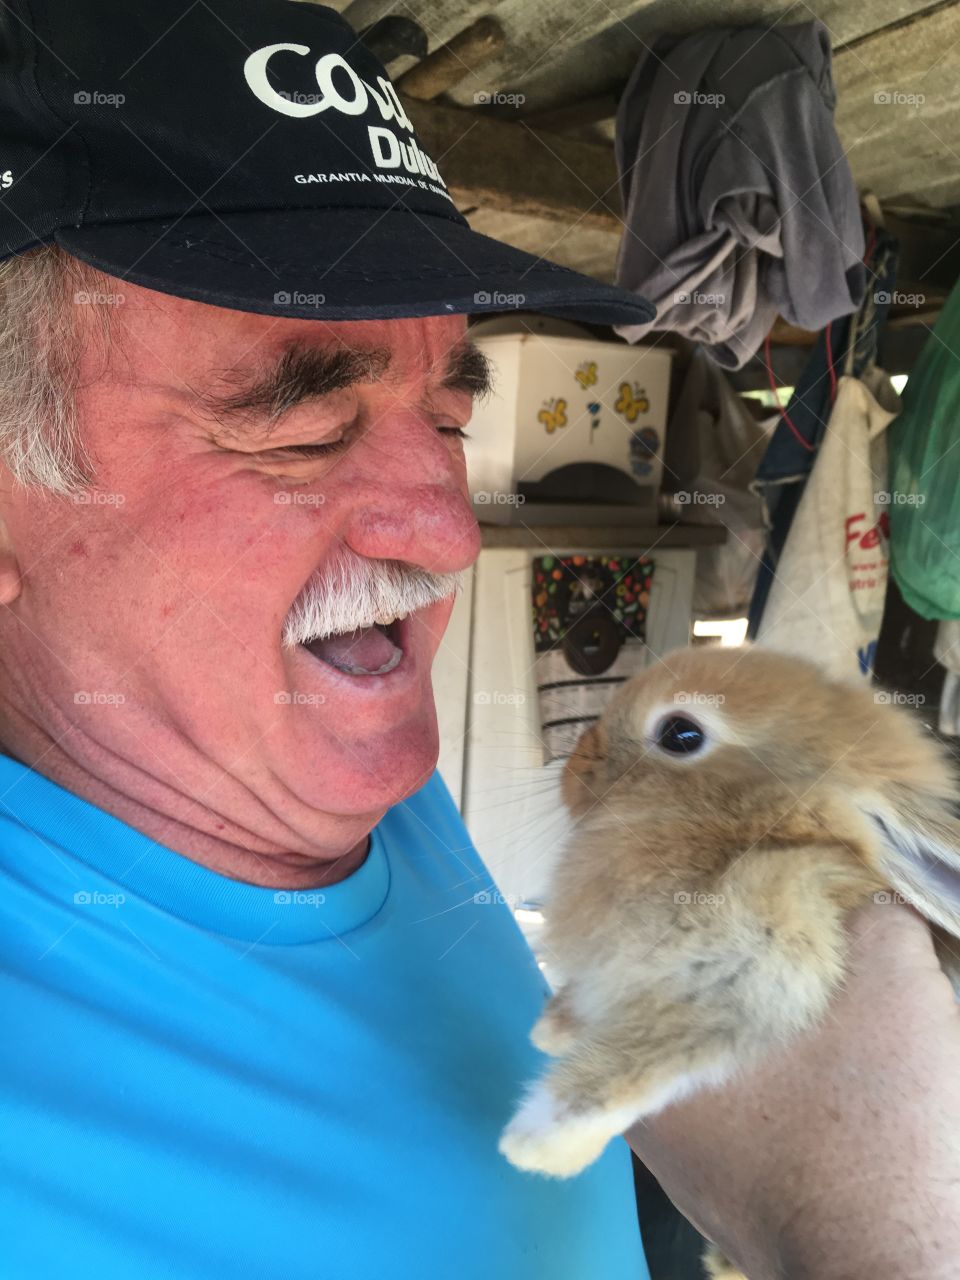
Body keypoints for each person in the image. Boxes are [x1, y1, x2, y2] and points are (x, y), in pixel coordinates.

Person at [0, 2, 956, 1279]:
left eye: (447, 421)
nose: (450, 533)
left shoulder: (318, 768)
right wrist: (859, 1227)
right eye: (302, 431)